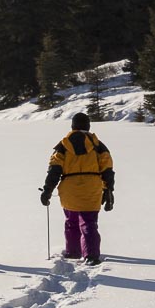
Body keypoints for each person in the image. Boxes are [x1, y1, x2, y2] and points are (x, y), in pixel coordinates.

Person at [39, 112, 114, 264]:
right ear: (88, 126)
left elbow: (54, 170)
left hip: (69, 190)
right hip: (92, 189)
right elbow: (107, 170)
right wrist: (109, 191)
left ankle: (73, 252)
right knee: (88, 222)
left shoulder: (63, 146)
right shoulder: (98, 146)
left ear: (72, 126)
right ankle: (91, 255)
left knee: (71, 221)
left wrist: (47, 191)